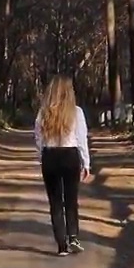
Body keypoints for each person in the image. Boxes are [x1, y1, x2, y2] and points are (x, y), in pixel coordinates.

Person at [33, 75, 90, 256]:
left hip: (50, 155)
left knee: (55, 202)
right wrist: (86, 162)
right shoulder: (76, 112)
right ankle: (73, 236)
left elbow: (38, 137)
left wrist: (41, 155)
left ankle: (61, 245)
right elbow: (82, 139)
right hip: (69, 155)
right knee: (71, 200)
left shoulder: (44, 112)